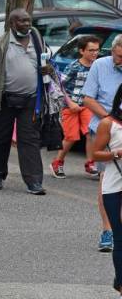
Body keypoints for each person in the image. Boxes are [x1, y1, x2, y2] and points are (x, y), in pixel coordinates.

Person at [0, 9, 48, 195]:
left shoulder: (37, 39)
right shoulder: (1, 42)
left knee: (30, 140)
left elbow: (46, 62)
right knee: (0, 138)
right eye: (22, 21)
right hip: (5, 98)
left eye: (28, 21)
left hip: (31, 99)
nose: (26, 24)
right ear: (12, 24)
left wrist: (47, 69)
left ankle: (34, 181)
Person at [82, 34, 122, 252]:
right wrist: (110, 117)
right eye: (116, 56)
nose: (118, 61)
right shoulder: (100, 65)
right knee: (107, 180)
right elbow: (88, 98)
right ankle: (108, 230)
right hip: (105, 129)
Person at [52, 35, 101, 178]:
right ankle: (57, 162)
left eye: (97, 50)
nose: (95, 53)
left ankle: (91, 163)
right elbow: (59, 86)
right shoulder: (73, 66)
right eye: (91, 50)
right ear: (81, 51)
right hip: (70, 106)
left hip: (88, 105)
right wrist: (70, 102)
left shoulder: (98, 66)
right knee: (71, 136)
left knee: (91, 132)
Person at [91, 83, 122, 297]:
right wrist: (117, 153)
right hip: (115, 187)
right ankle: (121, 283)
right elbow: (96, 154)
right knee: (121, 238)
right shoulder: (108, 124)